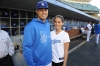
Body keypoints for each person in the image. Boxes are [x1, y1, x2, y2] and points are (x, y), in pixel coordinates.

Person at [23, 1, 52, 66]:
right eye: (41, 10)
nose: (44, 12)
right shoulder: (30, 26)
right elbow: (27, 48)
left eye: (45, 10)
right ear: (37, 11)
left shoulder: (47, 24)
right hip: (39, 64)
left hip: (49, 61)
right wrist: (32, 64)